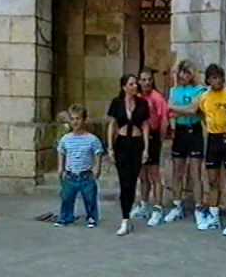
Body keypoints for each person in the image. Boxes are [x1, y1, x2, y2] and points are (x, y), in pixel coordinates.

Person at [198, 64, 226, 232]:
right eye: (213, 78)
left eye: (219, 77)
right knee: (212, 180)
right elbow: (201, 113)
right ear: (208, 80)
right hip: (213, 139)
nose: (217, 81)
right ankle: (214, 215)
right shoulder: (204, 97)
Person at [165, 60, 208, 227]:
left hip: (195, 130)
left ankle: (198, 208)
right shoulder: (174, 90)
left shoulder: (200, 90)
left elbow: (193, 110)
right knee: (178, 171)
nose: (184, 76)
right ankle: (177, 205)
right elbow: (170, 111)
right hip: (180, 132)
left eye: (187, 72)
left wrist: (176, 109)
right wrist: (177, 110)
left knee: (195, 172)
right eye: (182, 72)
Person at [107, 74, 150, 236]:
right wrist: (110, 147)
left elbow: (145, 126)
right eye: (131, 84)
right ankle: (125, 218)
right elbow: (112, 125)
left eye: (135, 84)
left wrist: (146, 148)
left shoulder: (142, 103)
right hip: (122, 144)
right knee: (124, 181)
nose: (134, 86)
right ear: (124, 87)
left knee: (132, 181)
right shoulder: (116, 103)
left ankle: (127, 215)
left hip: (137, 143)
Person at [130, 67, 169, 226]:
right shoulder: (136, 97)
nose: (146, 82)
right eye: (143, 79)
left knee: (154, 175)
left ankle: (158, 208)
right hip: (138, 137)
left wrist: (159, 139)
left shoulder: (157, 98)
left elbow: (164, 121)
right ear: (139, 81)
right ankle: (144, 205)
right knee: (142, 175)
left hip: (153, 137)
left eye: (149, 79)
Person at [55, 104, 104, 228]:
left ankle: (92, 217)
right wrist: (60, 168)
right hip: (70, 175)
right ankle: (66, 217)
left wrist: (97, 168)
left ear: (84, 120)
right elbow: (61, 151)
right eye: (72, 119)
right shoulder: (66, 139)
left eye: (78, 118)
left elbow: (98, 152)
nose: (75, 122)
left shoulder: (92, 139)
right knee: (66, 198)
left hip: (86, 175)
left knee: (90, 198)